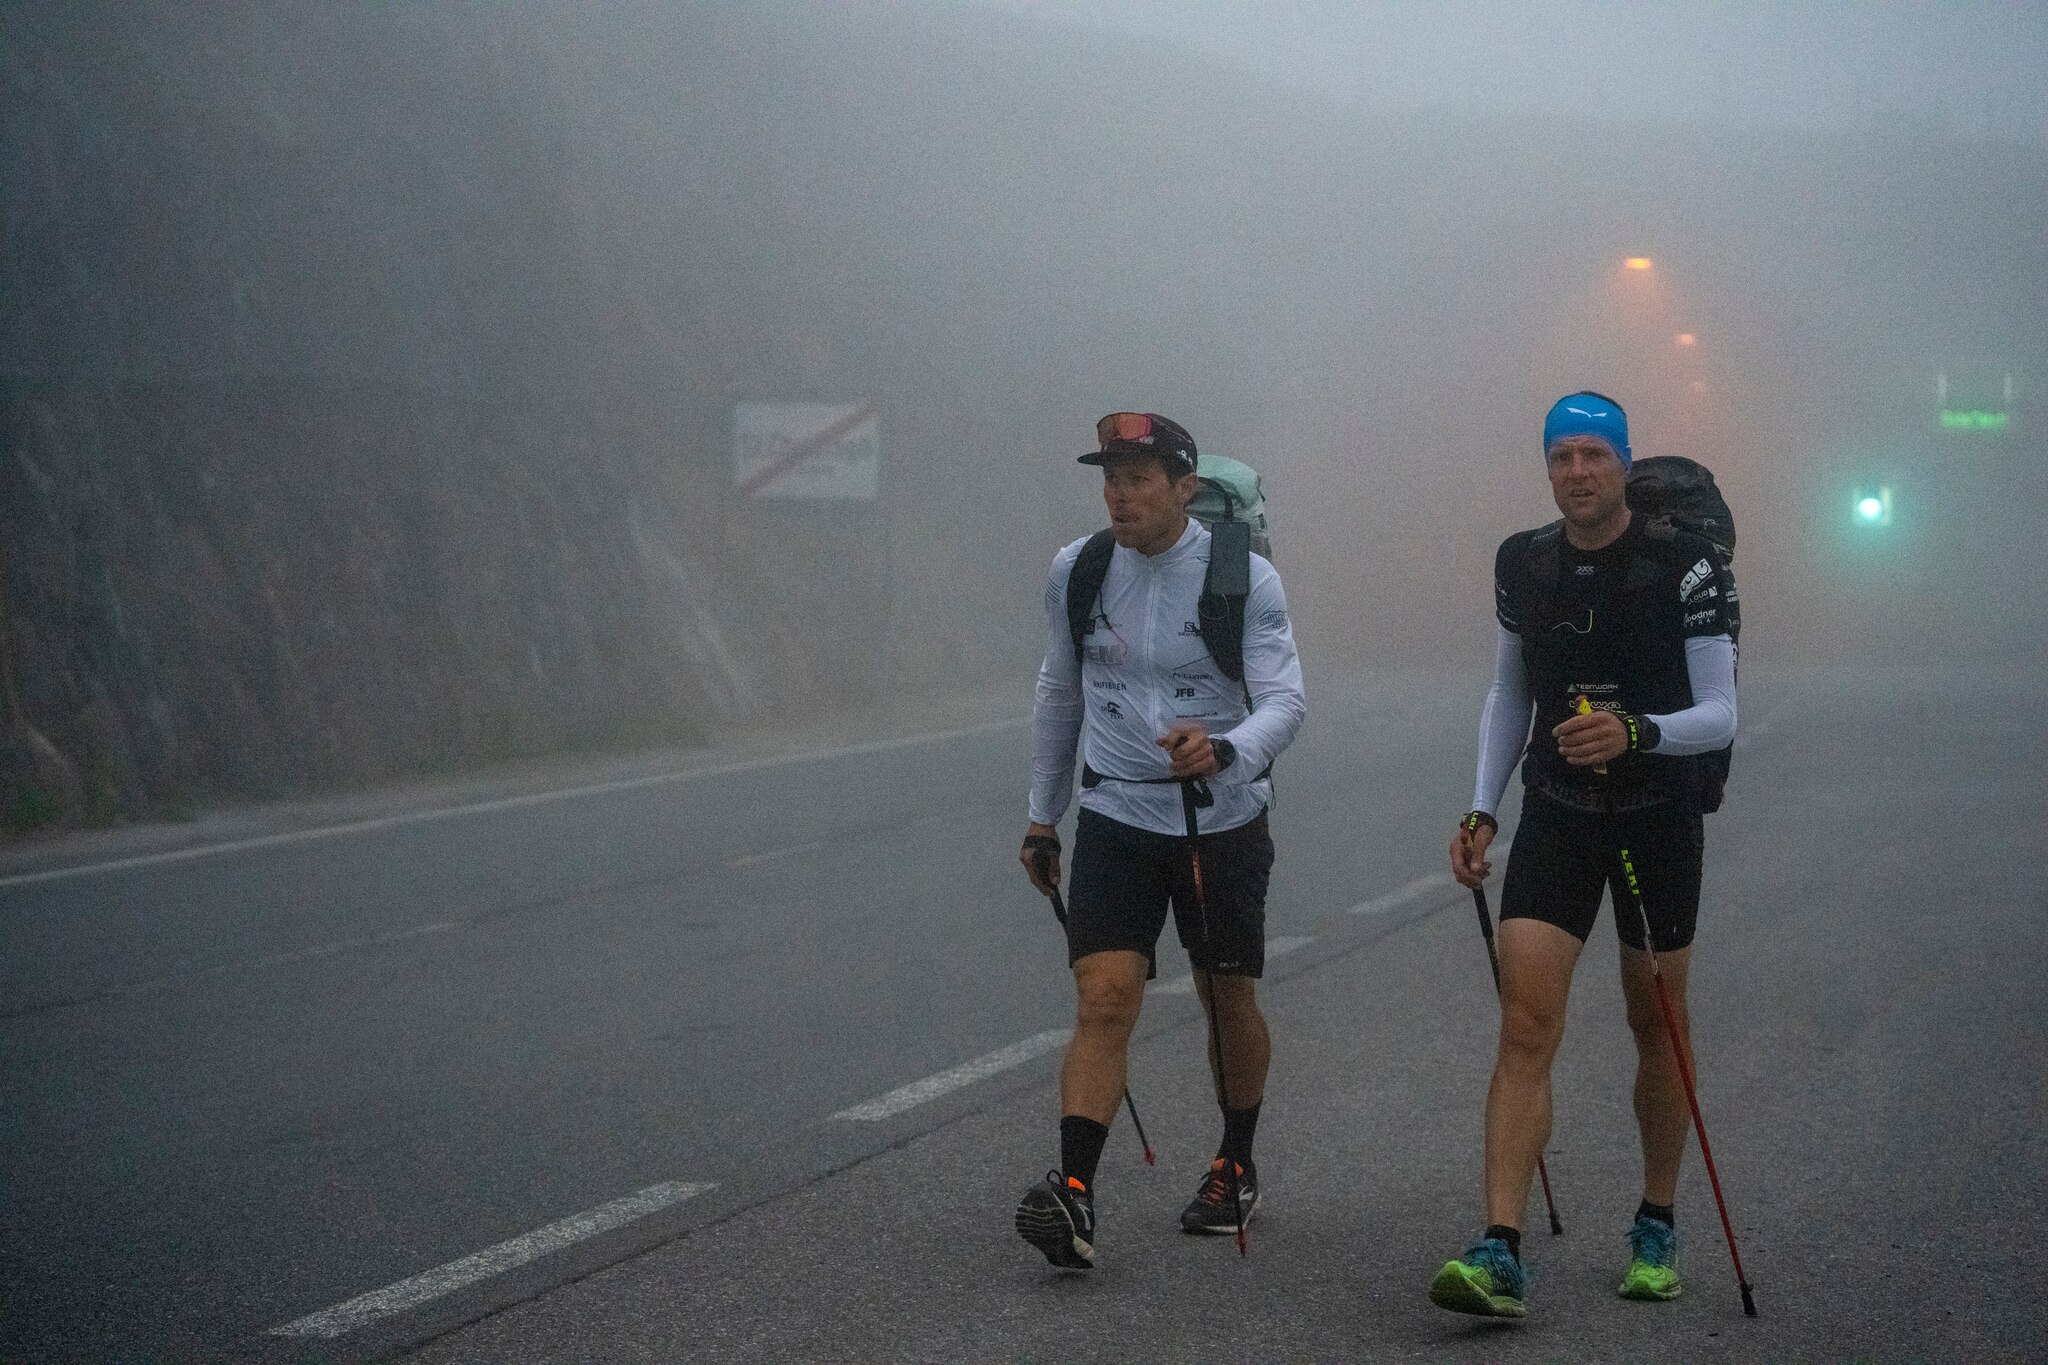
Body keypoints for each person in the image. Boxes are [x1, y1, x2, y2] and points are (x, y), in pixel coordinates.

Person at [1430, 392, 1738, 1317]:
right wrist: (1482, 807)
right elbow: (1507, 694)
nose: (1576, 474)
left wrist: (1637, 730)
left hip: (1656, 813)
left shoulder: (1686, 565)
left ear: (1622, 464)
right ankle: (1499, 1248)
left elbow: (1721, 712)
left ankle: (1655, 1220)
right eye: (1560, 457)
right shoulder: (1524, 562)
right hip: (1558, 809)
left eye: (1592, 456)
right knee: (1525, 1024)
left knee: (1657, 1022)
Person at [1012, 412, 1306, 1270]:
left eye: (1138, 478)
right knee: (1105, 996)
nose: (1119, 494)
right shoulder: (1079, 569)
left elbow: (1286, 701)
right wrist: (1042, 817)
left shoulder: (1244, 580)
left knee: (1226, 998)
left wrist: (1225, 748)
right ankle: (1073, 1194)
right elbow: (1058, 690)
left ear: (1184, 488)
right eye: (1110, 477)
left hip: (1220, 818)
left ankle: (1235, 1158)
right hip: (1116, 816)